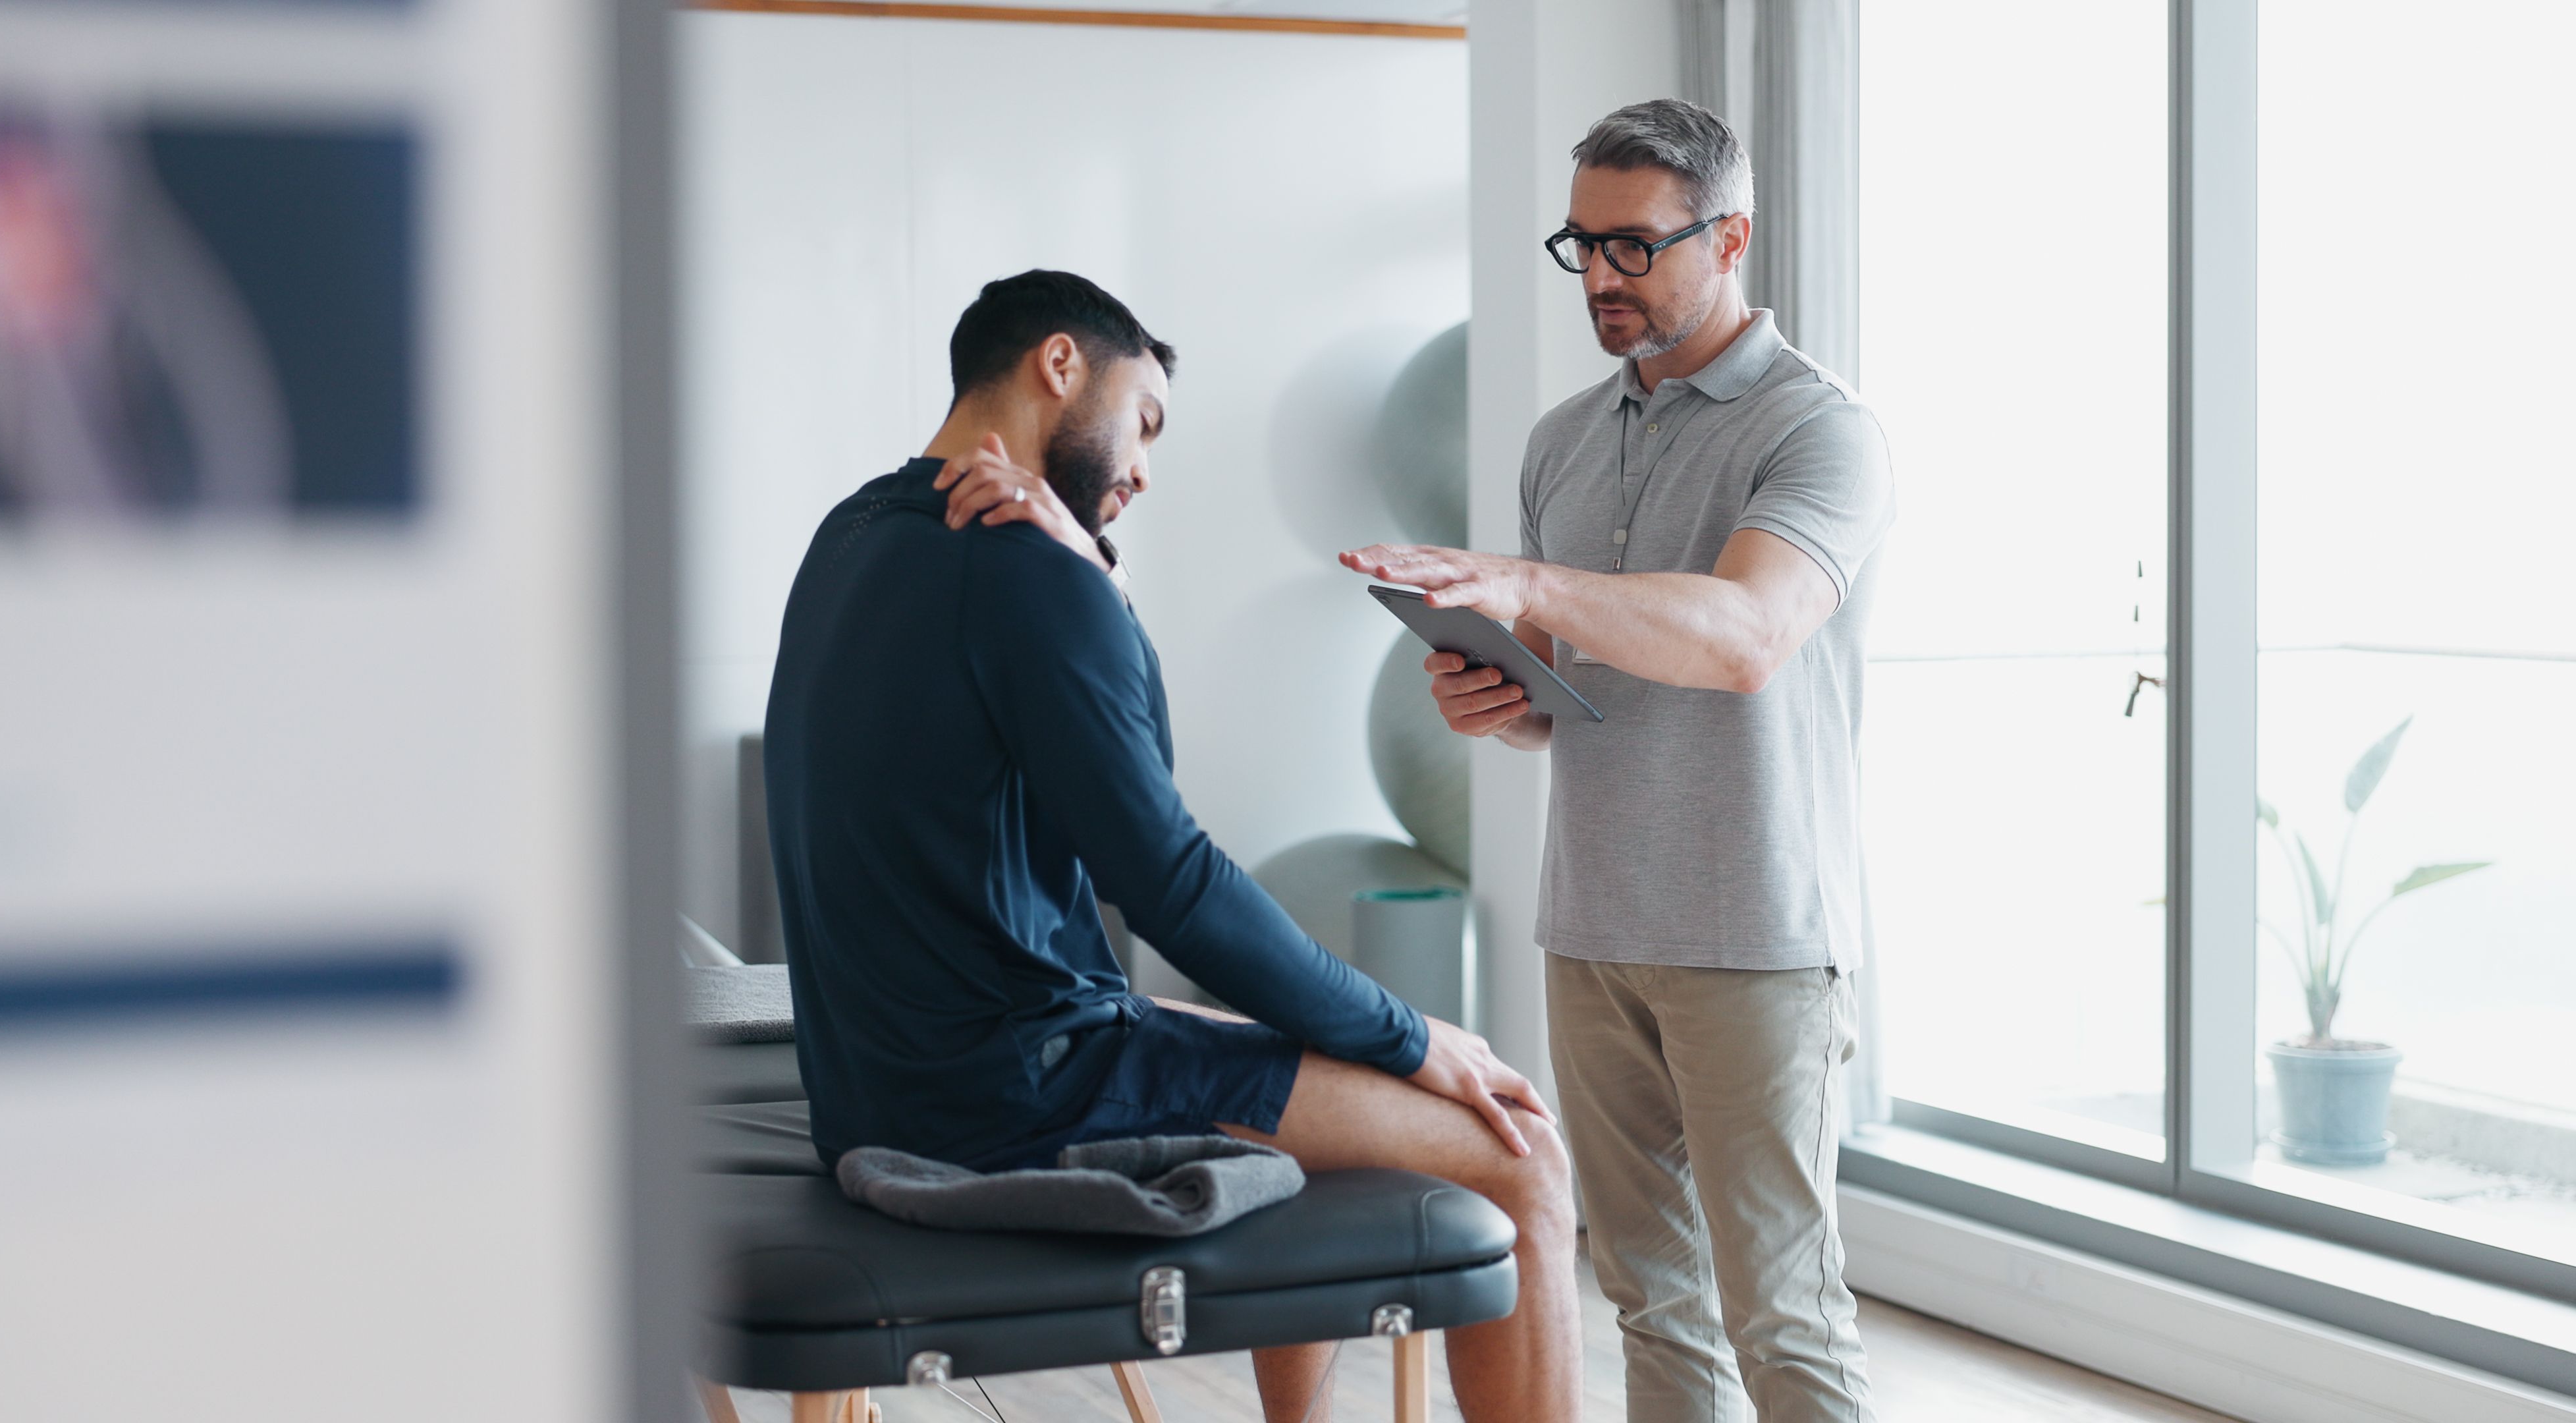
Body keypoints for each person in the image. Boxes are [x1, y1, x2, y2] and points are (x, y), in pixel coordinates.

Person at [762, 269, 1581, 1422]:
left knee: (1291, 1049)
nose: (1144, 468)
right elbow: (1170, 881)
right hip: (1018, 1090)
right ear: (1059, 365)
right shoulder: (1023, 571)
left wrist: (1091, 574)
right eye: (1143, 420)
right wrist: (1413, 1037)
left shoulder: (852, 534)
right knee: (1526, 1153)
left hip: (878, 1084)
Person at [1343, 99, 1893, 1423]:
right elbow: (1569, 695)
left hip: (1755, 934)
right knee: (1650, 1299)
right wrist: (1496, 698)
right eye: (1581, 244)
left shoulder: (1818, 431)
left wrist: (1529, 583)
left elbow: (1746, 636)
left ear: (1730, 238)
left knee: (1782, 1315)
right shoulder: (1563, 441)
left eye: (1634, 246)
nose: (1599, 274)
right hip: (1592, 925)